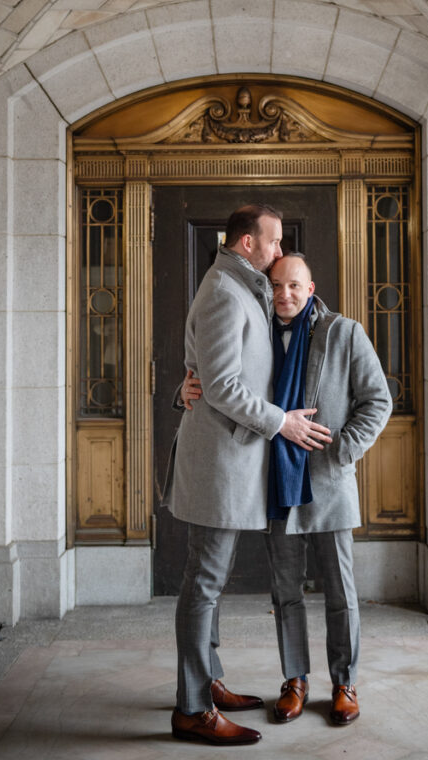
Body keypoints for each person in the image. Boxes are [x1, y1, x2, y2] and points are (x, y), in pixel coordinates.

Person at [182, 252, 392, 727]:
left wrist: (341, 451)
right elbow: (223, 384)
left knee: (341, 591)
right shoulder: (256, 333)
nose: (284, 295)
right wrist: (186, 388)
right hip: (275, 483)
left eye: (294, 286)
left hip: (329, 485)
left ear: (311, 288)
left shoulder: (344, 333)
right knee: (286, 592)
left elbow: (378, 401)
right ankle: (295, 680)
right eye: (276, 286)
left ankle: (345, 683)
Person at [164, 207, 333, 746]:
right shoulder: (222, 290)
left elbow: (206, 375)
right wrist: (280, 422)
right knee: (204, 583)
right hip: (219, 468)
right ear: (246, 242)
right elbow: (218, 386)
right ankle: (192, 708)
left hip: (235, 465)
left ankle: (208, 682)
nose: (280, 251)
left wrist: (187, 386)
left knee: (207, 582)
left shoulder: (246, 285)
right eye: (274, 241)